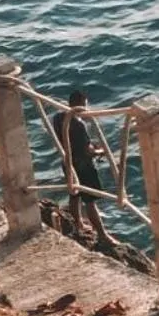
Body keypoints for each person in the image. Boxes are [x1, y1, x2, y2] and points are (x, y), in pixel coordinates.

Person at [54, 89, 112, 241]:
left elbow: (72, 142)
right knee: (90, 202)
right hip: (83, 166)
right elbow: (87, 152)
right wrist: (100, 151)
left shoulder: (59, 118)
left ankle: (78, 224)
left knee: (74, 195)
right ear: (81, 105)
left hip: (68, 163)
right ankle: (102, 234)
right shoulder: (79, 124)